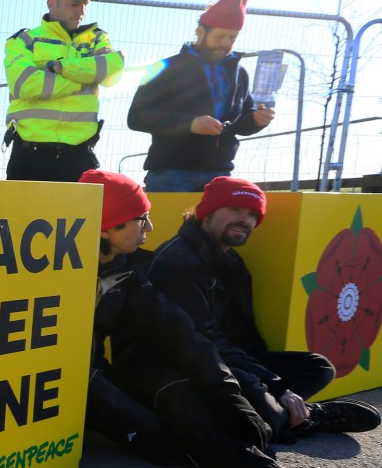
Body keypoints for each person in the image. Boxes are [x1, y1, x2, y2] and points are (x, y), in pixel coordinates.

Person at [80, 169, 382, 468]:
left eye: (253, 214)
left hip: (109, 376)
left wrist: (229, 394)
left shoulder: (128, 272)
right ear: (107, 226)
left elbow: (183, 332)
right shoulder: (71, 268)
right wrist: (251, 389)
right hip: (71, 384)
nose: (150, 227)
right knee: (169, 438)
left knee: (192, 407)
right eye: (142, 218)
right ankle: (278, 442)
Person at [147, 176, 380, 442]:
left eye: (251, 214)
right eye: (234, 209)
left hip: (223, 356)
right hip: (184, 362)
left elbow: (242, 334)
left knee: (318, 367)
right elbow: (200, 340)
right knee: (248, 388)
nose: (244, 220)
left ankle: (272, 413)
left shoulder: (232, 261)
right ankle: (306, 417)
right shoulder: (180, 260)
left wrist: (264, 374)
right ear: (206, 213)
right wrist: (276, 386)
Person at [127, 0, 276, 192]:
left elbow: (241, 124)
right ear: (200, 32)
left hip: (220, 174)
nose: (226, 43)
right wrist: (191, 124)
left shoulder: (240, 73)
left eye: (232, 37)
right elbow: (136, 117)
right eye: (220, 36)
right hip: (170, 173)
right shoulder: (163, 68)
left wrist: (257, 120)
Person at [3, 0, 124, 182]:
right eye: (74, 4)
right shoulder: (24, 40)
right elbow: (26, 84)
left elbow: (112, 73)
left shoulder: (97, 38)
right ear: (52, 3)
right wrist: (85, 78)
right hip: (30, 154)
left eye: (85, 4)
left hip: (80, 154)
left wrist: (61, 68)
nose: (81, 11)